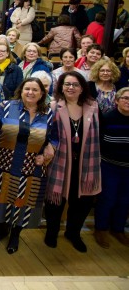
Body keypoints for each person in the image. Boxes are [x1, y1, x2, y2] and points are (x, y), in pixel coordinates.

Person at [0, 78, 55, 254]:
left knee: (23, 202)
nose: (30, 92)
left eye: (35, 90)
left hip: (32, 166)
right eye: (27, 89)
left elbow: (53, 136)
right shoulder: (7, 106)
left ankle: (15, 234)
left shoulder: (48, 113)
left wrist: (49, 148)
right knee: (1, 198)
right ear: (20, 91)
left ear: (42, 93)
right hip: (4, 163)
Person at [44, 71, 101, 253]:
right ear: (61, 87)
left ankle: (73, 233)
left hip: (86, 163)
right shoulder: (53, 107)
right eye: (67, 84)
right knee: (55, 201)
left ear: (82, 87)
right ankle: (52, 232)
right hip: (60, 161)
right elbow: (44, 134)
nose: (71, 88)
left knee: (82, 201)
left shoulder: (93, 107)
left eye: (75, 84)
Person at [95, 87, 129, 248]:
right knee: (107, 198)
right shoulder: (108, 118)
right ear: (116, 100)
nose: (128, 101)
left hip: (128, 168)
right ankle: (101, 229)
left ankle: (118, 229)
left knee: (125, 200)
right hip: (109, 165)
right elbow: (99, 141)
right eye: (125, 98)